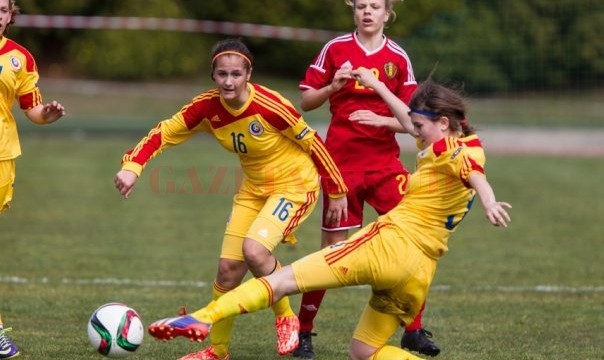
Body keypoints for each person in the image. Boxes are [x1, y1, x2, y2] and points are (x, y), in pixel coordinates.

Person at [145, 71, 512, 360]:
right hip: (419, 272)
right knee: (362, 353)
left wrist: (489, 200)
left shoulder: (451, 150)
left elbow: (473, 173)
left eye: (419, 126)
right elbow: (421, 126)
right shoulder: (459, 141)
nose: (412, 131)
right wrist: (380, 89)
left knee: (283, 278)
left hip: (388, 246)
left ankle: (202, 318)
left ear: (444, 124)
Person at [113, 38, 348, 360]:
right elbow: (163, 133)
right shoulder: (206, 107)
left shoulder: (271, 105)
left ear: (248, 74)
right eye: (222, 74)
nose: (228, 81)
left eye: (236, 74)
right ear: (213, 75)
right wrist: (133, 167)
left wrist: (336, 191)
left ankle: (285, 317)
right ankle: (217, 351)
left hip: (294, 185)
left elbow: (314, 145)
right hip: (253, 189)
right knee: (227, 271)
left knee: (254, 250)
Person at [296, 0, 438, 357]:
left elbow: (412, 122)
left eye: (375, 5)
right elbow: (306, 102)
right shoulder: (335, 49)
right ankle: (303, 332)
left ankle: (414, 329)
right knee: (330, 251)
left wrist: (382, 118)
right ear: (354, 11)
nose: (367, 12)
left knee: (414, 241)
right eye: (361, 6)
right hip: (340, 167)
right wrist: (333, 85)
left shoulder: (398, 58)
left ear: (387, 13)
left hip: (385, 166)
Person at [0, 0, 66, 358]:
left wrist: (48, 114)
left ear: (11, 15)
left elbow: (31, 108)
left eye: (2, 9)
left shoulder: (19, 58)